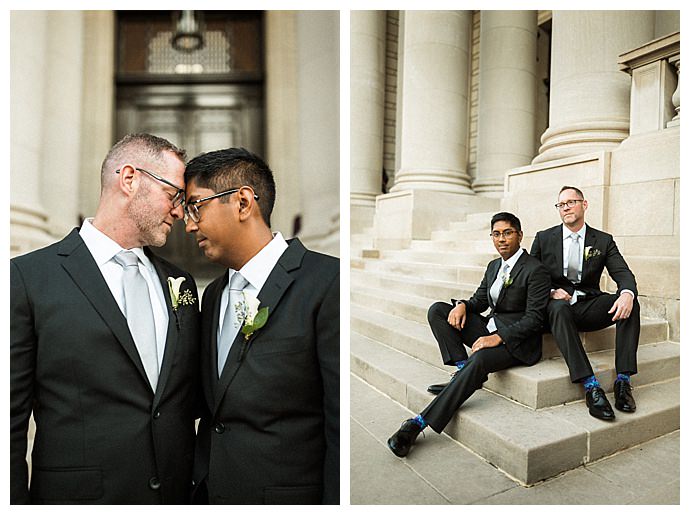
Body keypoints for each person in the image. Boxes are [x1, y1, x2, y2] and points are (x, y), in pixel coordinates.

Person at [10, 133, 201, 504]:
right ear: (129, 179)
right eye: (173, 195)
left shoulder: (181, 283)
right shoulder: (28, 278)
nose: (180, 212)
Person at [183, 147, 339, 504]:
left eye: (196, 206)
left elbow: (338, 419)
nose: (189, 224)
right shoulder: (213, 295)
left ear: (242, 202)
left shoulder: (328, 283)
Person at [388, 212, 550, 458]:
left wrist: (499, 337)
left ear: (519, 235)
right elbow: (480, 300)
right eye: (496, 234)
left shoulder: (535, 270)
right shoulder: (494, 266)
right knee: (438, 311)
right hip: (491, 326)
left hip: (518, 341)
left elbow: (535, 319)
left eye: (507, 233)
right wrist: (463, 304)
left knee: (480, 359)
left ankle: (417, 424)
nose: (501, 239)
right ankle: (462, 371)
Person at [530, 186, 639, 421]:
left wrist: (627, 293)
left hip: (588, 304)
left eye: (571, 202)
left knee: (631, 302)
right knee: (558, 307)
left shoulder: (603, 240)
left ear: (584, 204)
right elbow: (531, 277)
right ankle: (590, 385)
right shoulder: (543, 238)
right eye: (561, 204)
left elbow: (622, 272)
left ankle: (623, 381)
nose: (566, 207)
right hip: (555, 309)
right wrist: (550, 292)